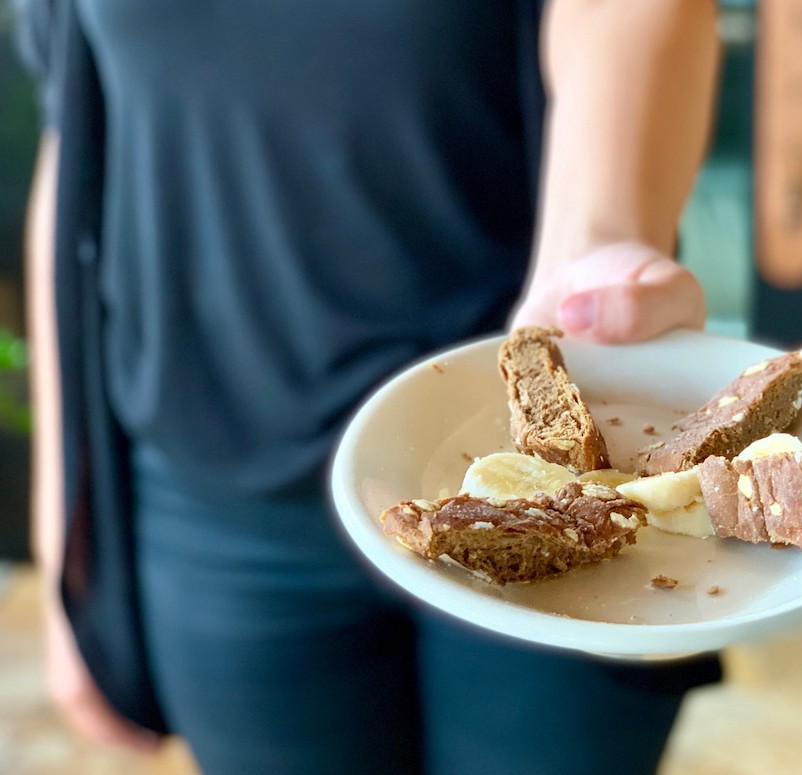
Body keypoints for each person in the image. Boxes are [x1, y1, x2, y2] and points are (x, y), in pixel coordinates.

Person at [17, 1, 722, 773]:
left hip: (527, 465)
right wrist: (67, 537)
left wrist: (588, 265)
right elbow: (81, 122)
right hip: (214, 499)